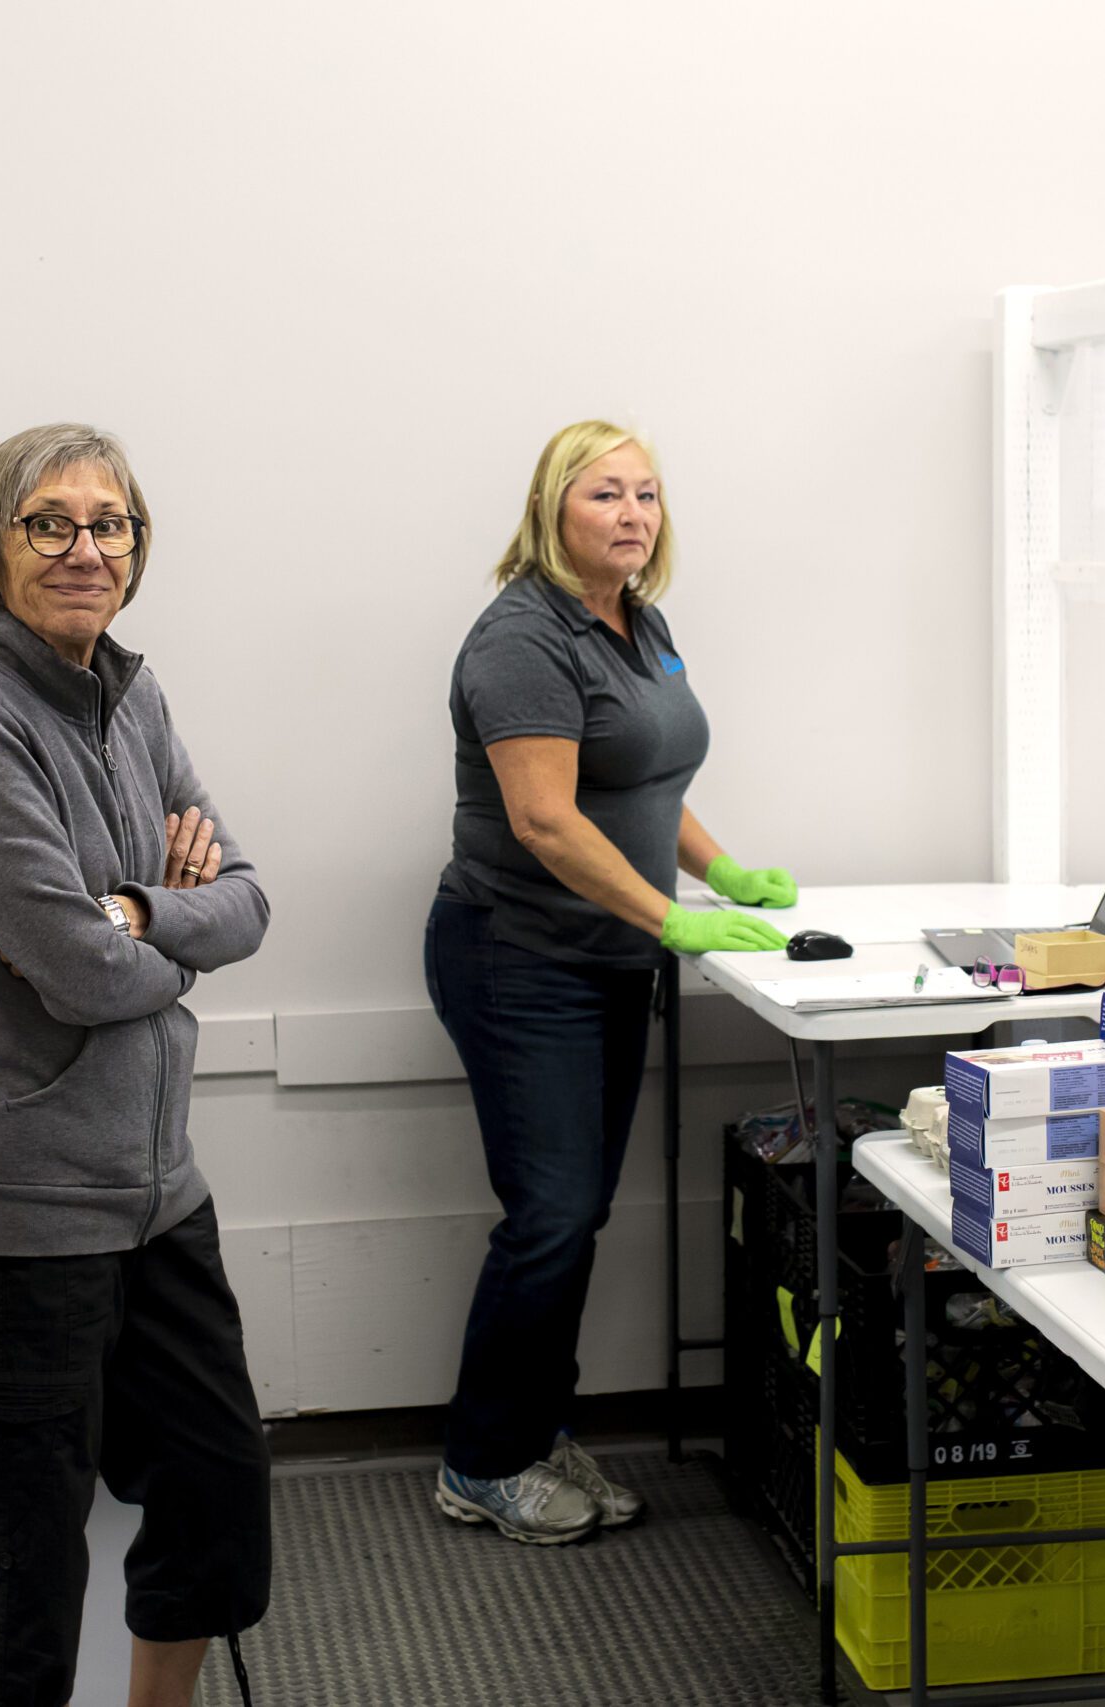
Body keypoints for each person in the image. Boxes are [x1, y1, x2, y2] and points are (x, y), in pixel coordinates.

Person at [0, 424, 272, 1706]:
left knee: (216, 1499)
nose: (85, 548)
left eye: (111, 525)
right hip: (26, 1204)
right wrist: (143, 921)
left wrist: (145, 911)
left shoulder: (132, 693)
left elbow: (249, 899)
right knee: (31, 1565)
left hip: (159, 1190)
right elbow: (77, 974)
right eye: (50, 522)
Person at [426, 419, 797, 1543]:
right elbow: (544, 819)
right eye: (603, 495)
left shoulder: (638, 620)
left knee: (573, 1218)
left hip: (605, 958)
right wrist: (677, 919)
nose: (631, 515)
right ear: (552, 509)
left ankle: (533, 1433)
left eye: (645, 495)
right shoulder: (519, 641)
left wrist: (716, 864)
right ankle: (482, 1461)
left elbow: (639, 772)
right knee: (550, 1216)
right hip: (516, 958)